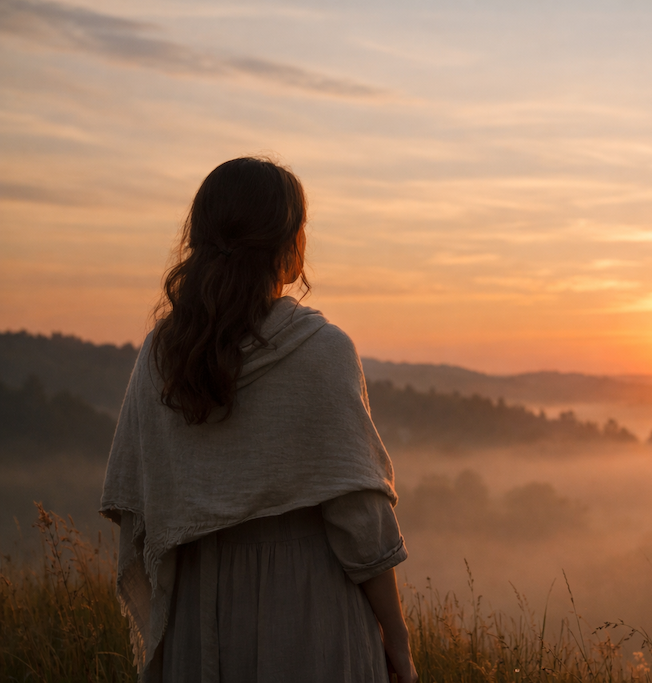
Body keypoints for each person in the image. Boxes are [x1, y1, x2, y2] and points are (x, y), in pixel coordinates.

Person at [100, 157, 418, 683]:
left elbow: (138, 506)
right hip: (309, 615)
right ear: (287, 245)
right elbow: (360, 517)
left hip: (196, 619)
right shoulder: (322, 351)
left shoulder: (162, 353)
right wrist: (398, 640)